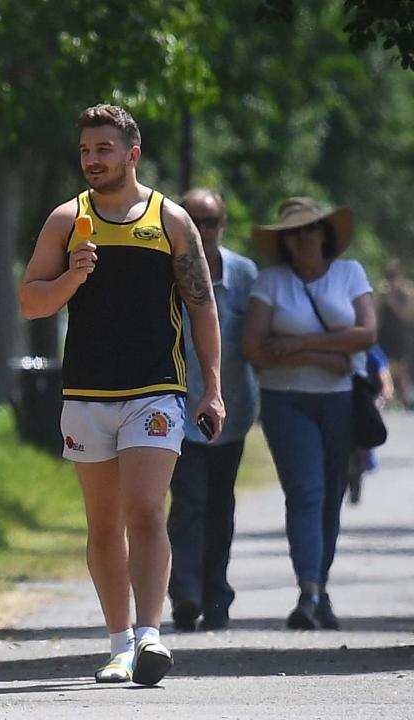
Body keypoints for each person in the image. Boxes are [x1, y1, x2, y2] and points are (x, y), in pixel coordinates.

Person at [20, 104, 224, 686]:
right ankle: (117, 643)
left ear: (132, 154)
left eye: (103, 150)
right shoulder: (67, 220)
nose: (92, 161)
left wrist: (213, 389)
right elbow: (31, 301)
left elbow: (202, 307)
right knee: (104, 522)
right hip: (85, 392)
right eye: (85, 151)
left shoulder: (171, 220)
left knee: (144, 508)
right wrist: (72, 276)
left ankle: (149, 636)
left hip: (155, 390)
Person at [241, 196, 376, 630]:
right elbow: (254, 347)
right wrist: (328, 352)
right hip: (286, 401)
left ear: (326, 235)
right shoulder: (271, 282)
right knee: (306, 492)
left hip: (338, 400)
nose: (302, 239)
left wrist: (299, 346)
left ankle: (321, 586)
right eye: (293, 234)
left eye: (310, 230)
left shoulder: (350, 274)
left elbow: (366, 334)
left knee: (331, 495)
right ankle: (308, 590)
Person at [167, 188, 258, 632]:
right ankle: (184, 592)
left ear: (222, 225)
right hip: (176, 410)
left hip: (232, 411)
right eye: (193, 221)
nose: (202, 231)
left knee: (220, 505)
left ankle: (216, 594)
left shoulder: (244, 275)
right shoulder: (164, 269)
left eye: (210, 222)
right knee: (187, 501)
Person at [346, 345, 393, 505]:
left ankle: (360, 468)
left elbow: (383, 375)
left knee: (365, 438)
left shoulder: (371, 351)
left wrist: (383, 395)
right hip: (342, 397)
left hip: (365, 399)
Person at [376, 259, 414, 409]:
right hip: (385, 337)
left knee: (403, 369)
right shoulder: (383, 294)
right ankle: (386, 398)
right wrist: (382, 299)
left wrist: (393, 302)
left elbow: (408, 316)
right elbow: (376, 318)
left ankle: (405, 401)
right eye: (388, 276)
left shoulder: (408, 292)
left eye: (393, 276)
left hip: (403, 337)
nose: (391, 280)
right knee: (384, 368)